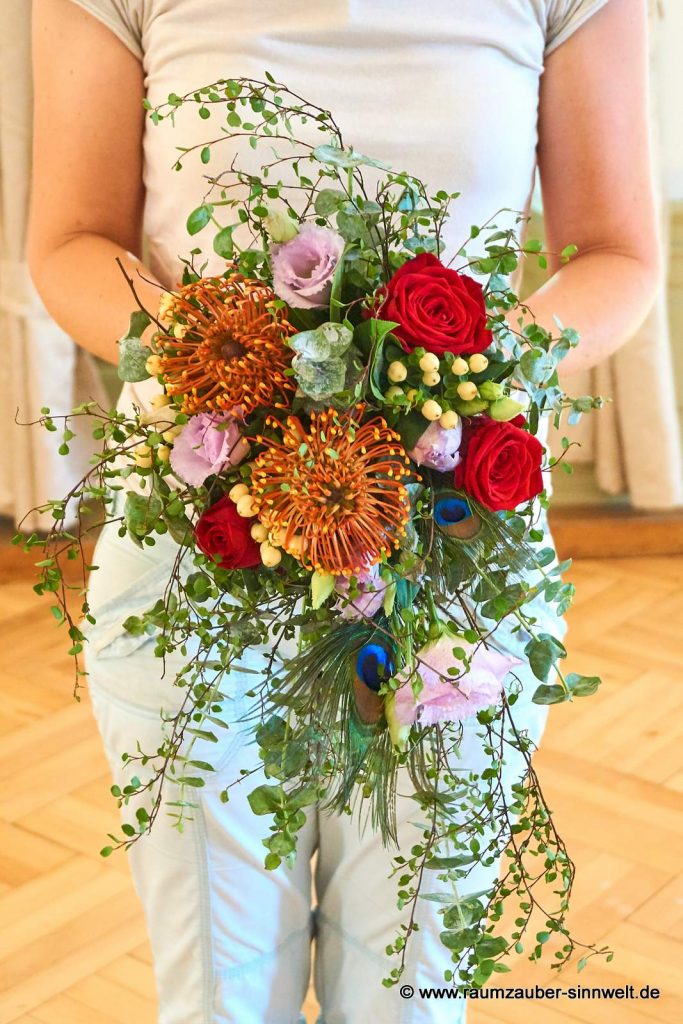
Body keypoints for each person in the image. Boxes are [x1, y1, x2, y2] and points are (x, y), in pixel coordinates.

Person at [28, 1, 659, 1021]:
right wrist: (213, 354)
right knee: (217, 997)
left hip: (453, 543)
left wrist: (457, 377)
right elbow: (70, 239)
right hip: (203, 535)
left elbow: (617, 253)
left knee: (412, 994)